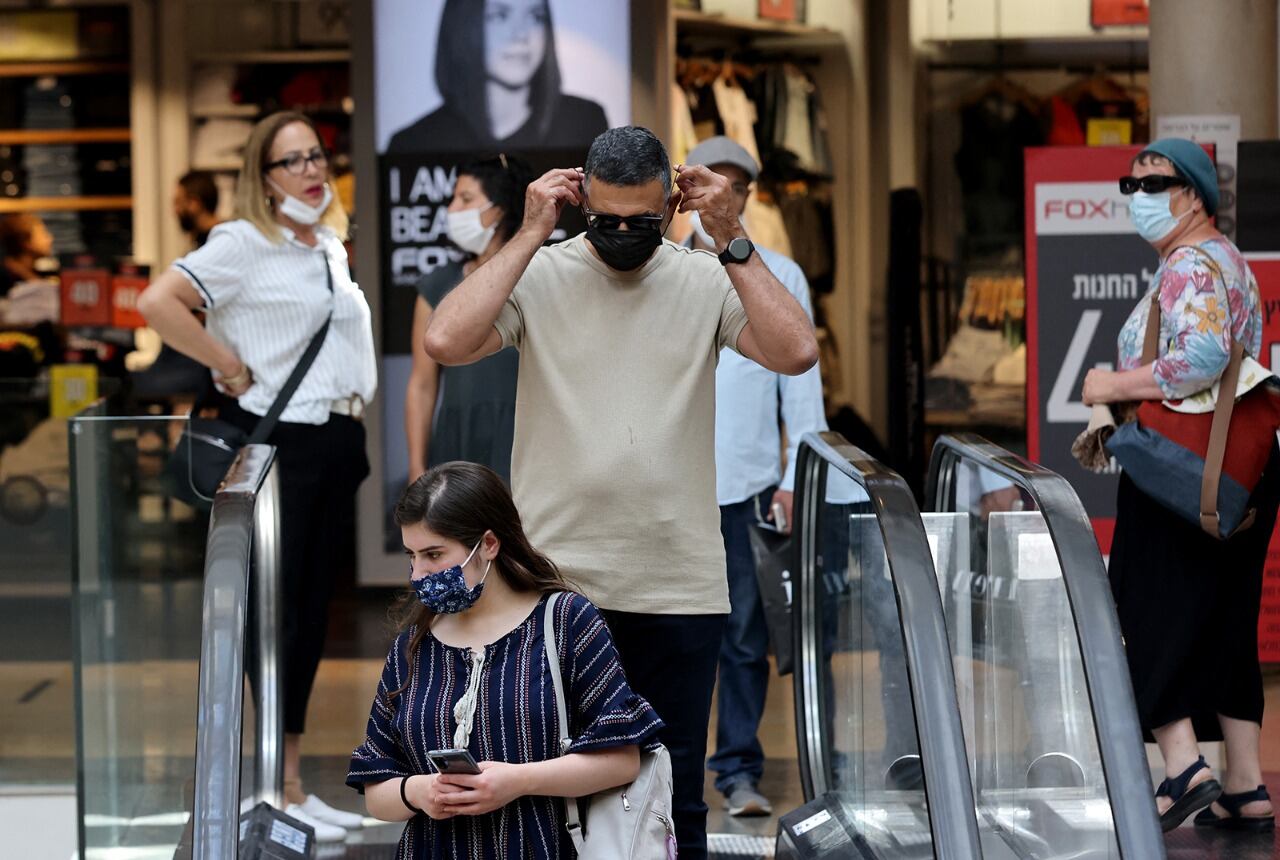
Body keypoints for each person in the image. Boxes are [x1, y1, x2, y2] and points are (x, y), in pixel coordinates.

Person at [424, 125, 818, 858]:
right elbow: (446, 340)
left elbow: (795, 351)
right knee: (549, 790)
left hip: (677, 586)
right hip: (556, 586)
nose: (625, 235)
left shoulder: (705, 278)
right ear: (582, 205)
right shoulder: (541, 273)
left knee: (671, 796)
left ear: (672, 202)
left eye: (643, 220)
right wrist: (530, 231)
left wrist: (730, 234)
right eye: (607, 220)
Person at [137, 111, 377, 842]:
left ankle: (289, 782)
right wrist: (226, 363)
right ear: (263, 178)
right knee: (275, 617)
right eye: (291, 160)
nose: (310, 169)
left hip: (336, 437)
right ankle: (271, 786)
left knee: (307, 616)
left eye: (316, 155)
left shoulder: (329, 242)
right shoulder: (243, 242)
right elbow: (157, 302)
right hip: (282, 443)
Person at [1082, 138, 1278, 832]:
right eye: (1129, 185)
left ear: (1192, 194)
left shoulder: (1189, 265)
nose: (1136, 196)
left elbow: (1199, 357)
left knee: (1144, 605)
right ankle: (1245, 786)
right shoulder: (1227, 262)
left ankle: (1183, 767)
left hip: (1180, 469)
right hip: (1240, 466)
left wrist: (1114, 383)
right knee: (1225, 621)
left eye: (1152, 183)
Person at [347, 461, 662, 858]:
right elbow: (376, 789)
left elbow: (621, 760)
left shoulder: (566, 621)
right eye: (411, 555)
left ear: (490, 544)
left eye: (434, 554)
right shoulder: (413, 646)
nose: (418, 573)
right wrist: (421, 791)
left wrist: (518, 781)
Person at [680, 136, 826, 817]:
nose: (720, 192)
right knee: (666, 628)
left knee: (744, 636)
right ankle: (662, 769)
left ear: (747, 194)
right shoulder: (659, 263)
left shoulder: (780, 274)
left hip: (748, 482)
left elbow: (801, 387)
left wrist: (797, 476)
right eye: (710, 179)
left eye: (733, 184)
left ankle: (737, 771)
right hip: (667, 481)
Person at [405, 155, 532, 483]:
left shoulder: (538, 275)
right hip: (457, 439)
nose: (451, 210)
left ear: (499, 209)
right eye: (452, 199)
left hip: (527, 440)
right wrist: (417, 467)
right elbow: (421, 384)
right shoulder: (436, 285)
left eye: (465, 199)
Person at [387, 0, 607, 154]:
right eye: (499, 16)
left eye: (535, 16)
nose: (520, 34)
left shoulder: (586, 120)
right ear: (464, 25)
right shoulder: (414, 141)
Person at [0, 213, 53, 297]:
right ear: (26, 243)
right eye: (43, 234)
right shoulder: (7, 279)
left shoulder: (38, 272)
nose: (50, 239)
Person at [173, 170, 221, 248]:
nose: (176, 211)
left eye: (178, 203)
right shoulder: (201, 242)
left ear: (194, 203)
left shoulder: (218, 243)